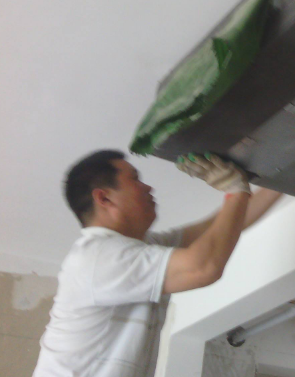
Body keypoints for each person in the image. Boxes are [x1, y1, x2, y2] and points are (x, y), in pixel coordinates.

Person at [33, 150, 282, 377]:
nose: (148, 187)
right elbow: (203, 267)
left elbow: (220, 228)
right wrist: (235, 191)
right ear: (104, 198)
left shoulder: (139, 249)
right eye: (135, 179)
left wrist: (283, 180)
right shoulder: (98, 257)